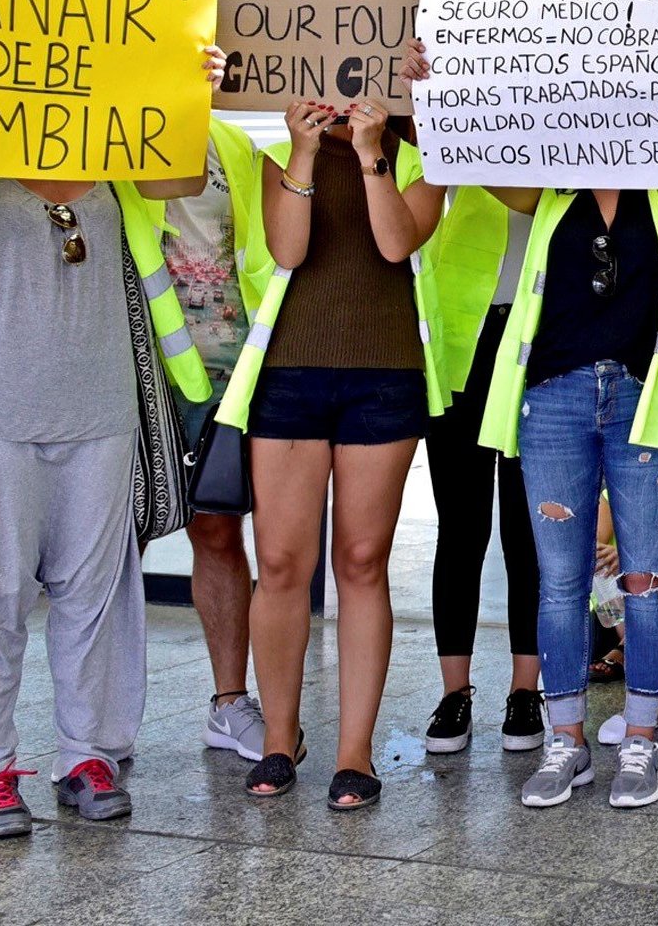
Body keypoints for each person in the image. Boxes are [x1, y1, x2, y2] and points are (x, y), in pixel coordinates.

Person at [0, 41, 219, 838]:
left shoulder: (119, 151)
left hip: (102, 407)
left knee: (96, 596)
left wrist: (182, 83)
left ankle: (88, 753)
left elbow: (183, 176)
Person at [469, 48, 658, 811]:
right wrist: (437, 85)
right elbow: (463, 143)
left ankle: (640, 739)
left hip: (643, 399)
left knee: (647, 576)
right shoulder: (546, 186)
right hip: (554, 400)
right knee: (560, 581)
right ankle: (566, 742)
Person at [216, 97, 448, 811]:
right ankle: (280, 738)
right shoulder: (275, 151)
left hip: (385, 375)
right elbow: (287, 250)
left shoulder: (426, 151)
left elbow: (393, 243)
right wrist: (307, 151)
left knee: (361, 560)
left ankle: (355, 750)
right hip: (288, 372)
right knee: (281, 561)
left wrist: (373, 150)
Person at [151, 113, 277, 763]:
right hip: (136, 367)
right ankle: (86, 723)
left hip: (229, 372)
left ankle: (229, 703)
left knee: (218, 532)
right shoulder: (108, 134)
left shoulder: (234, 144)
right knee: (97, 545)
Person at [419, 181, 545, 756]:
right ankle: (455, 692)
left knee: (528, 528)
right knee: (461, 528)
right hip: (459, 339)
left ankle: (525, 690)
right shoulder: (460, 101)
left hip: (534, 338)